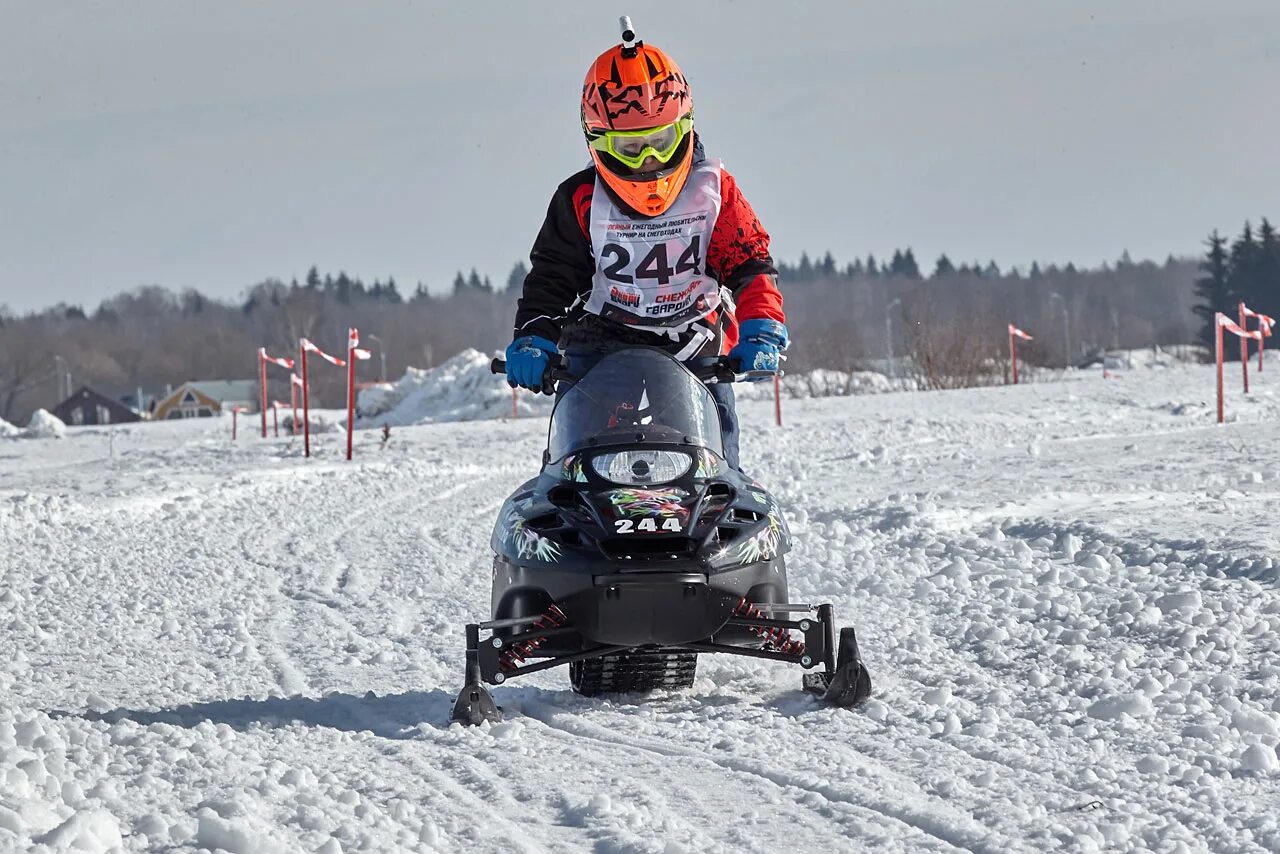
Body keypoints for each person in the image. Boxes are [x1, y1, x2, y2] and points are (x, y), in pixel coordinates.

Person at [505, 20, 787, 470]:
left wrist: (762, 328)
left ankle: (716, 520)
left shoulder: (714, 191)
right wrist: (535, 337)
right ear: (597, 141)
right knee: (580, 465)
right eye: (631, 147)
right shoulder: (580, 200)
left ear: (686, 128)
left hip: (693, 343)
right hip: (600, 344)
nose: (650, 161)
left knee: (713, 465)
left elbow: (750, 264)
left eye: (661, 142)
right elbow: (553, 278)